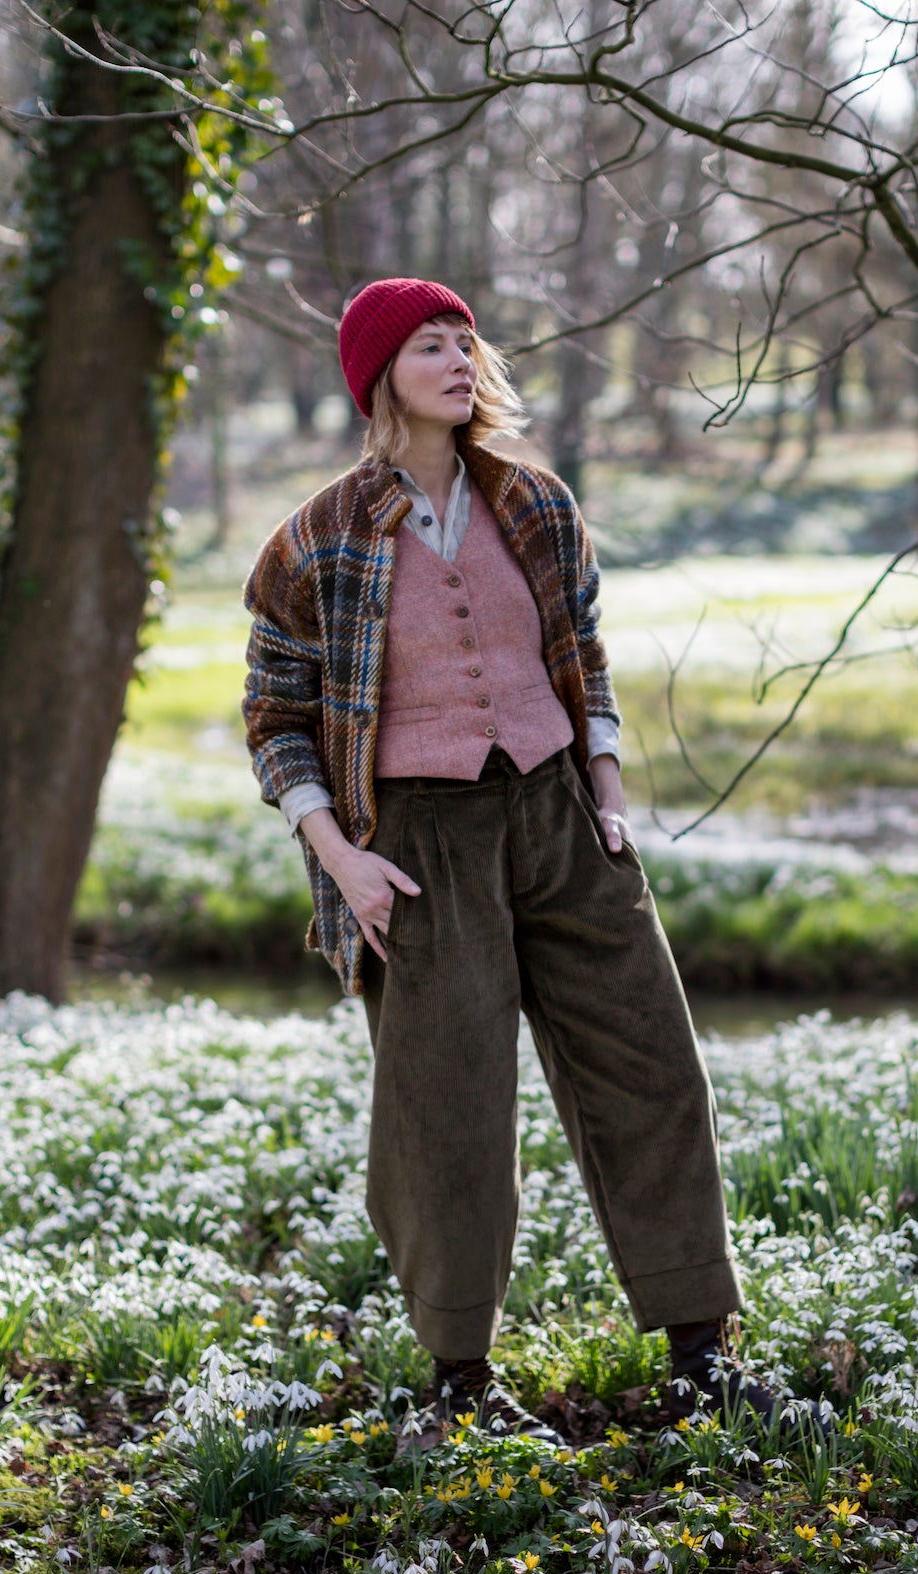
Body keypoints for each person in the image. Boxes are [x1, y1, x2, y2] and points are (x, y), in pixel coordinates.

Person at [240, 277, 787, 1447]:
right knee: (447, 1110)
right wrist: (340, 857)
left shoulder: (532, 501)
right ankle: (460, 1380)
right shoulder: (317, 538)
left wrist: (607, 792)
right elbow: (274, 713)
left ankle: (700, 1354)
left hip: (559, 817)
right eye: (428, 345)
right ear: (379, 373)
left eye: (464, 343)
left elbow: (579, 648)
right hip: (418, 844)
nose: (456, 360)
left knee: (651, 1065)